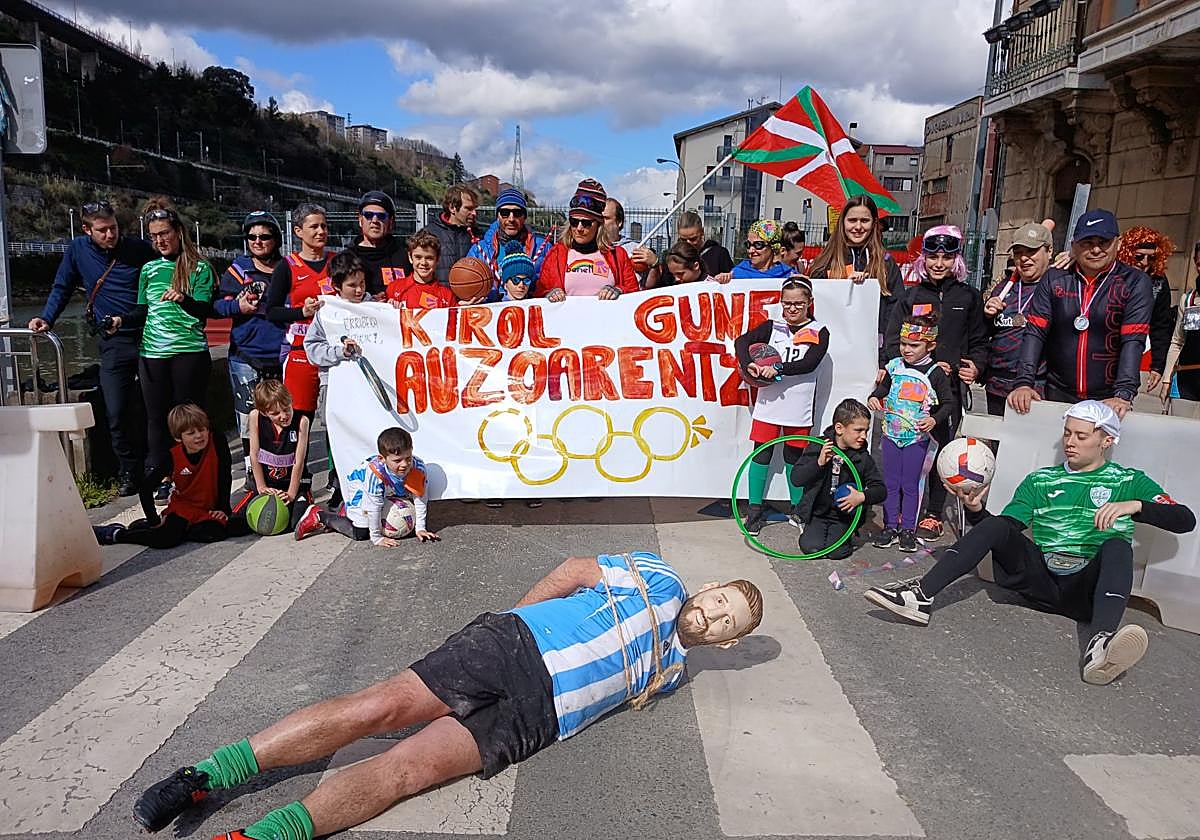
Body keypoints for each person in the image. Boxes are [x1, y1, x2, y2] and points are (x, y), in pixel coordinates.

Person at [131, 552, 763, 839]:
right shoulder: (661, 578)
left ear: (728, 644)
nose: (711, 616)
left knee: (404, 771)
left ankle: (259, 839)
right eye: (717, 602)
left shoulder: (673, 671)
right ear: (706, 589)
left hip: (537, 717)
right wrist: (516, 624)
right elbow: (575, 570)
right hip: (512, 646)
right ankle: (205, 774)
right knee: (373, 710)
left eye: (726, 621)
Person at [865, 401, 1195, 685]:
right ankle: (920, 597)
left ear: (1106, 440)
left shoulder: (1128, 480)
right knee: (995, 524)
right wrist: (977, 510)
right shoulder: (1041, 480)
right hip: (1041, 579)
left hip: (1086, 590)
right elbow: (1006, 529)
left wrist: (1135, 506)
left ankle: (1101, 646)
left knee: (1117, 546)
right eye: (1068, 433)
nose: (1070, 442)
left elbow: (1185, 519)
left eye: (1082, 436)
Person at [28, 200, 156, 496]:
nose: (111, 235)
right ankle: (128, 472)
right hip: (113, 342)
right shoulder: (78, 250)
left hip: (148, 335)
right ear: (87, 230)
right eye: (103, 231)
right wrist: (46, 318)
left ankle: (158, 470)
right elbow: (62, 286)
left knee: (154, 408)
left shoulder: (137, 249)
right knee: (115, 410)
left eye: (114, 228)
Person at [884, 225, 986, 540]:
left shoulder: (968, 296)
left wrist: (975, 368)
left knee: (941, 449)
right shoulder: (911, 296)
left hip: (948, 390)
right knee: (907, 452)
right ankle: (897, 515)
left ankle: (933, 512)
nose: (938, 263)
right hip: (910, 394)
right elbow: (891, 342)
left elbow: (980, 341)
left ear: (956, 259)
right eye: (932, 256)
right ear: (923, 259)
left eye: (946, 256)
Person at [1008, 209, 1153, 419]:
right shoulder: (1054, 279)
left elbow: (1133, 340)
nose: (1095, 249)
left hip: (1108, 398)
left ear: (1118, 243)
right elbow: (1035, 333)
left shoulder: (1135, 282)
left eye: (1103, 242)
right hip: (1057, 392)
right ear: (1074, 245)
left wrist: (1123, 394)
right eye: (1087, 242)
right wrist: (1023, 382)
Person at [136, 200, 218, 505]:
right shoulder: (148, 269)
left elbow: (203, 312)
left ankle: (197, 473)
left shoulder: (200, 268)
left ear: (179, 232)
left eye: (165, 233)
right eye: (154, 235)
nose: (160, 240)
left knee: (190, 416)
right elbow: (142, 310)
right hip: (153, 353)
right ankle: (161, 475)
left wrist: (182, 298)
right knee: (156, 418)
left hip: (189, 353)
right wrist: (119, 321)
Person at [733, 277, 830, 534]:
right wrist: (749, 364)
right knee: (761, 453)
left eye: (798, 303)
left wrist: (777, 367)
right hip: (769, 403)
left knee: (793, 456)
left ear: (810, 303)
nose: (792, 309)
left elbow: (809, 364)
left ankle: (798, 509)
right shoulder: (772, 326)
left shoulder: (819, 330)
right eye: (787, 304)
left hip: (799, 406)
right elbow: (741, 343)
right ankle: (754, 510)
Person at [92, 404, 248, 548]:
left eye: (202, 430)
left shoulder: (217, 442)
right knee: (166, 539)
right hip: (183, 509)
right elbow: (146, 488)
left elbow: (224, 476)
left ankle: (150, 526)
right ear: (178, 438)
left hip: (209, 509)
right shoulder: (173, 457)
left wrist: (223, 509)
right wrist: (154, 522)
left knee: (228, 529)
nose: (199, 436)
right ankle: (117, 534)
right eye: (191, 433)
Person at [869, 313, 955, 553]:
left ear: (930, 345)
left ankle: (908, 528)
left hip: (916, 439)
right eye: (903, 344)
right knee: (891, 482)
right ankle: (889, 526)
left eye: (914, 345)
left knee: (910, 484)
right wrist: (875, 397)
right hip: (891, 435)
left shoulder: (935, 373)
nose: (907, 350)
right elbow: (883, 388)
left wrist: (933, 419)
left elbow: (948, 403)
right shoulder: (894, 366)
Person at [216, 211, 286, 487]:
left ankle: (282, 468)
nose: (257, 241)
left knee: (282, 419)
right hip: (246, 356)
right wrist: (238, 307)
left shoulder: (287, 268)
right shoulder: (238, 269)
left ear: (276, 239)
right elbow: (218, 305)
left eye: (264, 236)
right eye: (251, 237)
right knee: (248, 420)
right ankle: (251, 470)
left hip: (282, 355)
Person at [304, 251, 370, 508]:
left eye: (362, 283)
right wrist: (338, 352)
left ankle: (370, 484)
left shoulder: (374, 306)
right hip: (334, 385)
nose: (358, 290)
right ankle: (341, 486)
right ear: (337, 286)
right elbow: (312, 350)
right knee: (338, 438)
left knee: (366, 435)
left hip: (366, 388)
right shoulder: (326, 312)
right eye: (352, 285)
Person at [294, 427, 438, 545]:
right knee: (362, 532)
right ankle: (320, 515)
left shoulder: (417, 467)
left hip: (388, 490)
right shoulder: (375, 474)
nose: (405, 464)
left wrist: (420, 528)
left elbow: (420, 499)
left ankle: (346, 512)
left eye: (408, 458)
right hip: (360, 485)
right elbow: (374, 507)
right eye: (397, 460)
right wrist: (376, 537)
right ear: (382, 459)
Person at [808, 196, 905, 368]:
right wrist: (842, 285)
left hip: (873, 355)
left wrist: (886, 360)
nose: (858, 227)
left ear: (874, 223)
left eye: (864, 221)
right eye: (852, 220)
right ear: (842, 222)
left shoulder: (886, 263)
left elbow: (895, 313)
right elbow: (812, 307)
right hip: (830, 355)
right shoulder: (825, 261)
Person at [790, 399, 885, 559]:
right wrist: (819, 463)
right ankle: (812, 529)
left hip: (843, 516)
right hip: (818, 512)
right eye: (858, 430)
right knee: (811, 549)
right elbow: (796, 479)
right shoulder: (818, 446)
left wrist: (862, 497)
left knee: (837, 552)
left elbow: (881, 490)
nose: (864, 436)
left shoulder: (862, 457)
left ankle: (846, 535)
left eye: (866, 431)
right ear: (839, 428)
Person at [267, 203, 333, 418]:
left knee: (336, 419)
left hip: (333, 350)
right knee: (298, 418)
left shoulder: (337, 262)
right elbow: (272, 311)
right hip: (301, 351)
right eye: (314, 227)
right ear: (298, 231)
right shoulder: (287, 266)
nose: (321, 231)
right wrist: (300, 313)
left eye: (324, 226)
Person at [981, 222, 1053, 416]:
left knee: (1029, 444)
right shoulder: (1003, 289)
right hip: (997, 384)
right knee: (998, 444)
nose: (1024, 258)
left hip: (1035, 386)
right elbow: (985, 335)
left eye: (1031, 251)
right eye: (1019, 252)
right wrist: (987, 316)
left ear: (1049, 251)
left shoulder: (1057, 287)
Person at [538, 179, 639, 301]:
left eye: (586, 223)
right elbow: (539, 292)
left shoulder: (617, 255)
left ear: (598, 224)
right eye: (574, 222)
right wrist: (550, 294)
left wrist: (619, 290)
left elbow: (634, 293)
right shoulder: (556, 254)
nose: (579, 228)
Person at [245, 379, 312, 532]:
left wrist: (291, 494)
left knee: (295, 523)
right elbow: (254, 455)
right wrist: (261, 487)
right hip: (268, 483)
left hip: (293, 483)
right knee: (238, 523)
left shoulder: (302, 421)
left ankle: (316, 513)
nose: (283, 415)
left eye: (286, 409)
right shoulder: (255, 416)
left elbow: (299, 462)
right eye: (275, 413)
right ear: (264, 412)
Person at [1117, 226, 1176, 394]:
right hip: (1108, 349)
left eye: (1151, 258)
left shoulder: (1159, 281)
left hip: (1142, 348)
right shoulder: (1114, 276)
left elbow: (1161, 325)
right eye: (1139, 256)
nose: (1144, 263)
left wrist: (1157, 365)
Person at [468, 187, 551, 288]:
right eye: (505, 213)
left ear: (524, 217)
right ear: (497, 216)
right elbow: (468, 284)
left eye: (517, 213)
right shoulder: (479, 250)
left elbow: (553, 283)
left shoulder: (543, 247)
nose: (511, 219)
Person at [1159, 240, 1200, 417]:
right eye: (1199, 264)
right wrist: (1167, 379)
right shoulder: (1188, 300)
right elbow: (1177, 341)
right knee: (1181, 433)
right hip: (1187, 379)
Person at [344, 191, 412, 296]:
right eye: (368, 215)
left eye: (381, 216)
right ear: (360, 220)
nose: (374, 220)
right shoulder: (346, 258)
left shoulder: (406, 256)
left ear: (391, 222)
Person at [384, 230, 456, 309]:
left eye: (429, 258)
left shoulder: (447, 295)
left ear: (437, 260)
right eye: (418, 257)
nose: (423, 263)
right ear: (410, 257)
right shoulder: (394, 288)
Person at [427, 185, 478, 285]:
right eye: (468, 208)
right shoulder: (429, 234)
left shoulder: (479, 236)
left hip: (470, 298)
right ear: (452, 208)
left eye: (475, 209)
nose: (474, 213)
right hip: (437, 298)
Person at [603, 197, 657, 285]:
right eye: (599, 218)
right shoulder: (589, 249)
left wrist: (654, 264)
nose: (601, 222)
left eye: (606, 218)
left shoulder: (636, 249)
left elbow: (648, 286)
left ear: (619, 222)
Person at [717, 220, 793, 281]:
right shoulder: (737, 274)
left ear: (773, 246)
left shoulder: (788, 275)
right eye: (748, 244)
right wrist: (720, 281)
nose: (751, 250)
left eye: (758, 245)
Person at [656, 241, 731, 286]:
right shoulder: (675, 287)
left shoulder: (712, 286)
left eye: (680, 274)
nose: (676, 279)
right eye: (673, 274)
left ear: (695, 266)